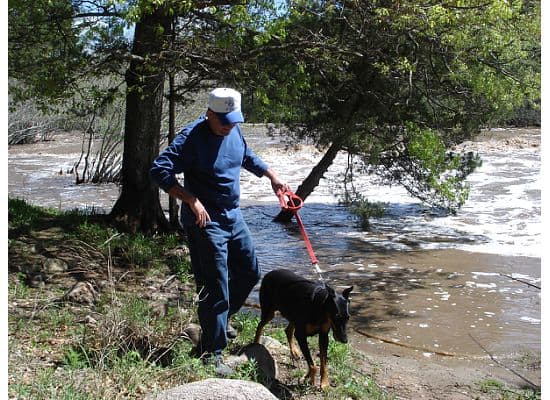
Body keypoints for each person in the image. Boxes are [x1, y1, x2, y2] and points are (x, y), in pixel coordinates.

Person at [150, 88, 288, 374]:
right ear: (209, 114)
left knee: (249, 271)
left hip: (233, 216)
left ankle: (220, 323)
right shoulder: (191, 138)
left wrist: (272, 177)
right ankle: (211, 352)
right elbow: (159, 170)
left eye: (233, 120)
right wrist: (190, 199)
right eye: (223, 120)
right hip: (205, 221)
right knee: (215, 284)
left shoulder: (233, 131)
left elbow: (246, 155)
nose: (228, 126)